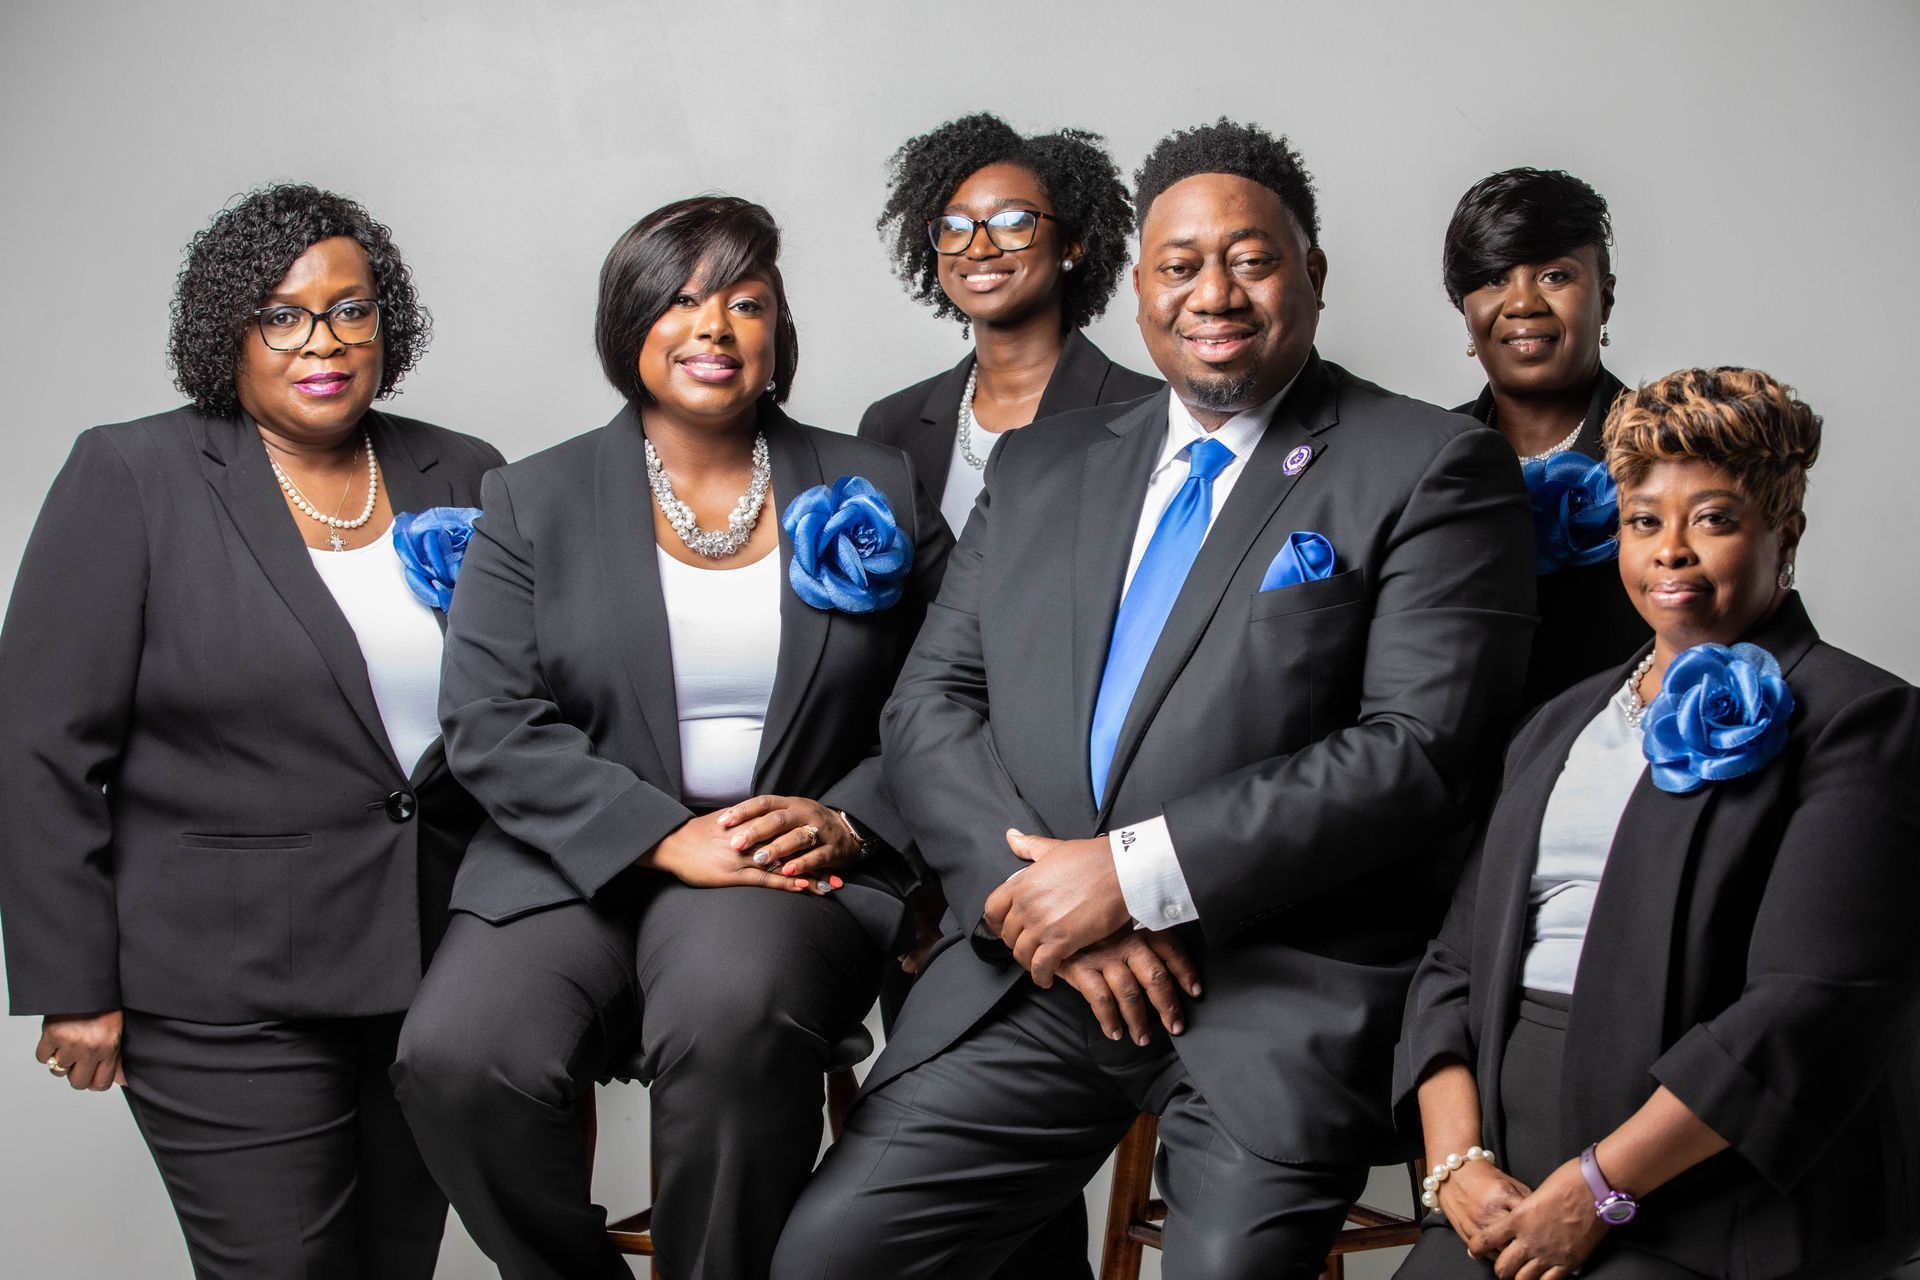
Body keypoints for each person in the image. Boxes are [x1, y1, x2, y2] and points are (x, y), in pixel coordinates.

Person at [774, 119, 1536, 1280]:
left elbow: (1417, 751)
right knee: (827, 1257)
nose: (1213, 292)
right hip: (1039, 975)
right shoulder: (1044, 466)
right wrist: (1045, 903)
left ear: (1313, 276)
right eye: (1180, 265)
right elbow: (930, 701)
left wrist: (1127, 878)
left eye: (1252, 258)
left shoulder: (1429, 465)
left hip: (1276, 980)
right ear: (1137, 289)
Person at [391, 195, 950, 1280]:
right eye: (683, 298)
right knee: (456, 1056)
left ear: (779, 332)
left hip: (782, 856)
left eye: (748, 301)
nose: (716, 326)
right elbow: (491, 721)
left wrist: (848, 816)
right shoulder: (533, 497)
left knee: (733, 1018)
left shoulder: (871, 482)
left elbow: (945, 695)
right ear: (629, 322)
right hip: (570, 860)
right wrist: (660, 836)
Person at [0, 183, 502, 1279]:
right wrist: (71, 981)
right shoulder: (132, 475)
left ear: (388, 323)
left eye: (351, 309)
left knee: (394, 1265)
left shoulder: (461, 471)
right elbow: (39, 743)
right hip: (222, 987)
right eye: (282, 315)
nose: (322, 342)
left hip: (435, 971)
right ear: (228, 329)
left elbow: (520, 720)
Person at [1394, 368, 1920, 1280]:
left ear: (1783, 537)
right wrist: (1457, 1168)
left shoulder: (1864, 721)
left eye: (1713, 519)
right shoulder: (1557, 725)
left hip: (1713, 1211)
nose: (1671, 550)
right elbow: (1452, 966)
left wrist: (1596, 1189)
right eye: (1645, 521)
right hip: (1505, 1186)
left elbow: (1808, 1007)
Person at [862, 112, 1160, 536]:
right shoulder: (891, 423)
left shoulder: (1146, 411)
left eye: (1013, 222)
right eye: (954, 226)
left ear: (1071, 244)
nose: (979, 247)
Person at [1445, 167, 1649, 706]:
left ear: (1603, 299)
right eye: (1493, 278)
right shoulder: (1424, 457)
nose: (1522, 303)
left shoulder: (1671, 452)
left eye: (1554, 276)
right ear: (1464, 310)